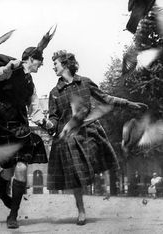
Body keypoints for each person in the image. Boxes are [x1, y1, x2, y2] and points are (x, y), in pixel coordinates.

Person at [45, 50, 148, 225]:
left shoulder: (85, 82)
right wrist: (49, 124)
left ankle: (104, 189)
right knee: (77, 173)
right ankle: (81, 211)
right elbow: (54, 119)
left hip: (89, 132)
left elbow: (105, 98)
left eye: (55, 63)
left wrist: (129, 104)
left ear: (65, 64)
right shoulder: (54, 92)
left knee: (90, 166)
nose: (52, 66)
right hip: (68, 137)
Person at [0, 27, 56, 229]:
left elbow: (35, 108)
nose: (42, 66)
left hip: (21, 127)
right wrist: (8, 69)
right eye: (40, 62)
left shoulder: (31, 83)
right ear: (30, 59)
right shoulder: (9, 68)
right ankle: (3, 191)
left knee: (21, 166)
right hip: (2, 125)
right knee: (8, 170)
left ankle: (13, 214)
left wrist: (45, 123)